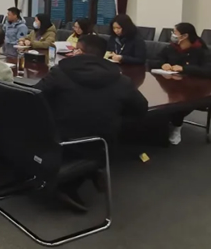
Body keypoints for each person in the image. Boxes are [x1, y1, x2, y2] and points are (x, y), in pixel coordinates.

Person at [35, 34, 148, 210]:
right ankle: (91, 171)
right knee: (115, 126)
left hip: (58, 139)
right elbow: (141, 108)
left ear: (80, 52)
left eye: (75, 49)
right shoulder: (122, 81)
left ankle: (70, 184)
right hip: (99, 142)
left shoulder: (59, 72)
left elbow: (36, 97)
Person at [149, 22, 211, 145]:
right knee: (158, 100)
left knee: (179, 103)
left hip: (195, 89)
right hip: (172, 86)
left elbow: (210, 70)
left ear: (185, 36)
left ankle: (176, 126)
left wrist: (184, 69)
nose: (173, 35)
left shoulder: (201, 50)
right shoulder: (171, 48)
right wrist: (162, 64)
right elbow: (152, 61)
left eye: (175, 33)